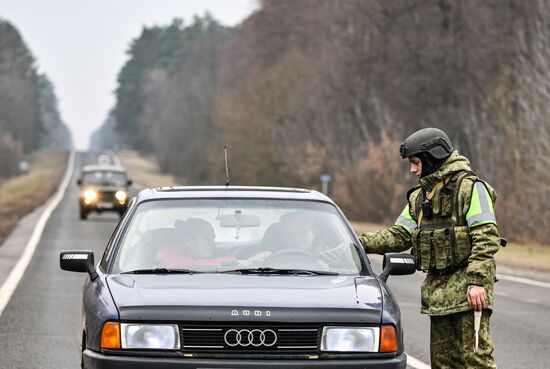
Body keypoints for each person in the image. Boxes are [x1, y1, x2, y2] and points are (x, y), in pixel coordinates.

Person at [359, 127, 499, 369]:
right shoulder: (421, 197)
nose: (412, 169)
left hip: (469, 294)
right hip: (439, 296)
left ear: (432, 157)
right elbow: (399, 235)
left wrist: (476, 281)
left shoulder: (471, 188)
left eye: (415, 162)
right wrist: (355, 242)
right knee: (443, 364)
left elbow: (486, 237)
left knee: (477, 362)